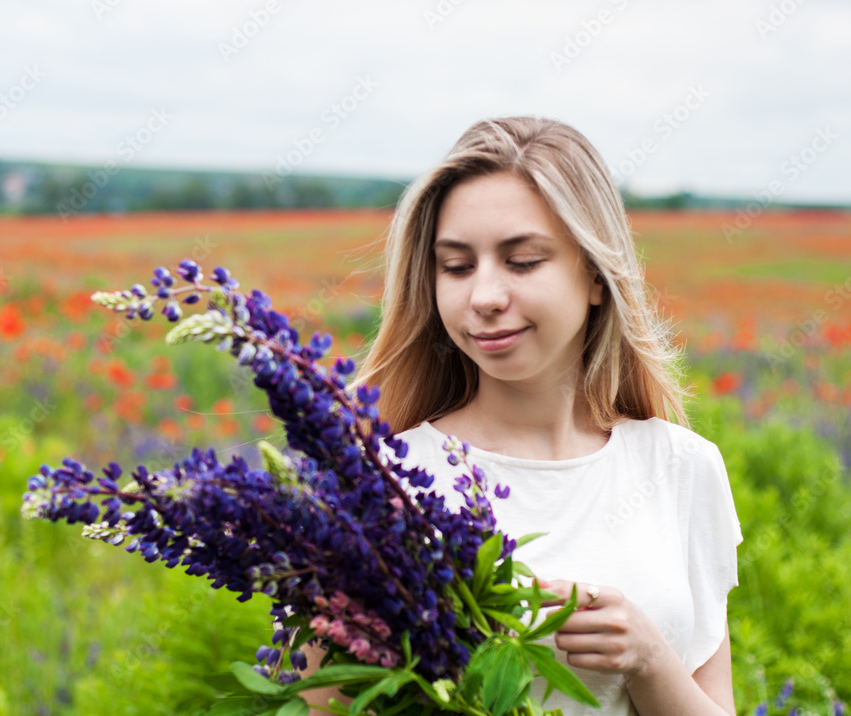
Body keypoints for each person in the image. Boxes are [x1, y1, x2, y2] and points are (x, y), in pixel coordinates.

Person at [300, 115, 743, 715]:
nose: (483, 296)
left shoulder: (682, 468)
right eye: (456, 267)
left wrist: (648, 657)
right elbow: (319, 706)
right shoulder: (384, 484)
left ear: (593, 274)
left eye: (523, 261)